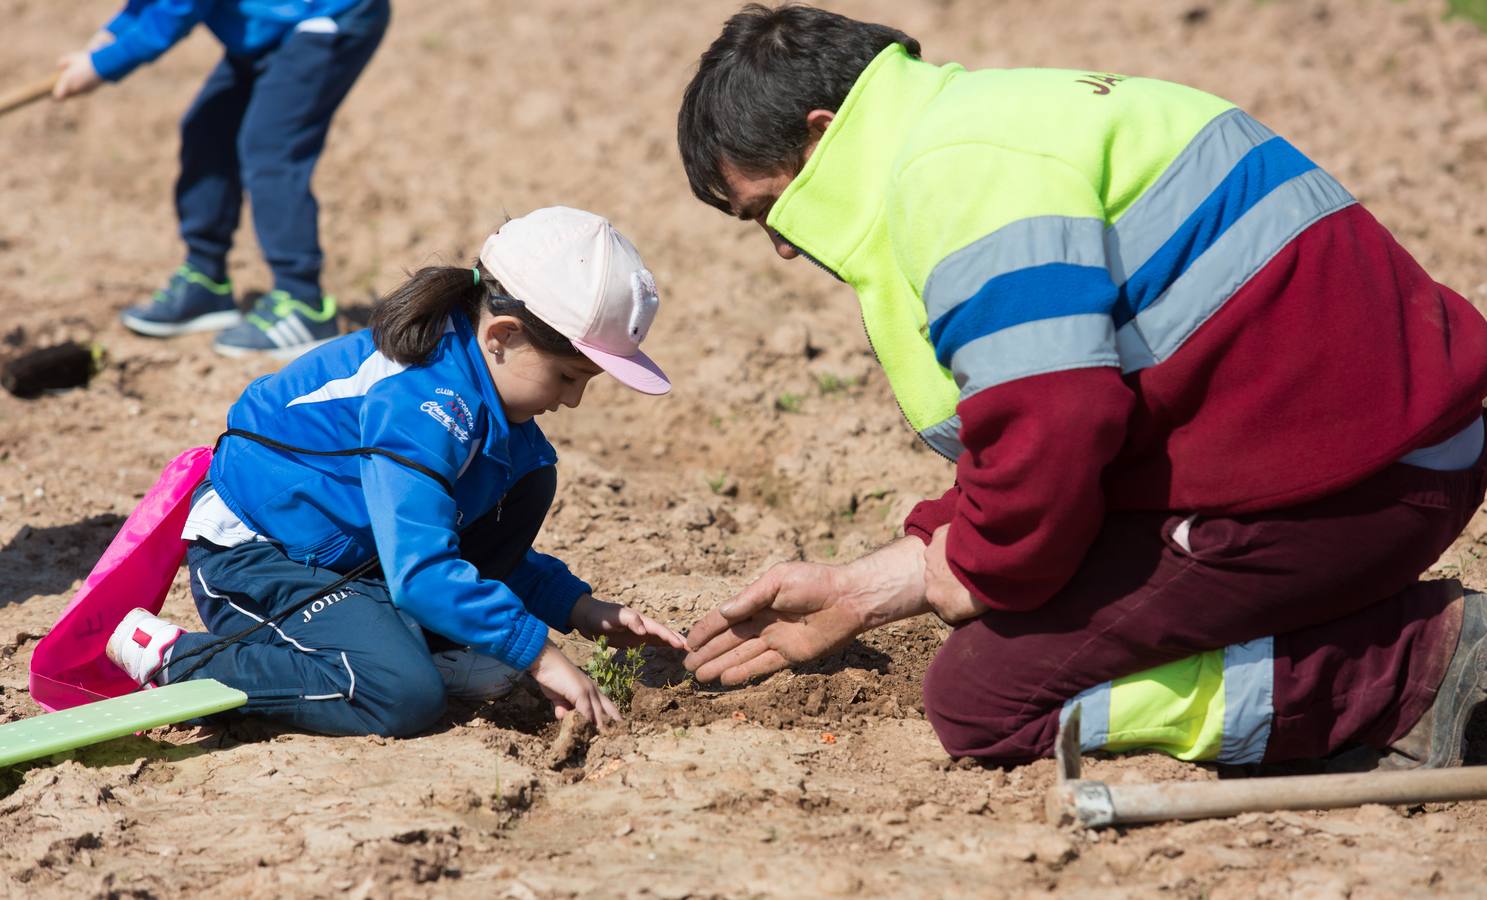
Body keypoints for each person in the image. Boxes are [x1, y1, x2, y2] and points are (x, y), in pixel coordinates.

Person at [676, 4, 1487, 769]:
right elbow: (1060, 417)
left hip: (1351, 488)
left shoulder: (954, 177)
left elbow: (1053, 419)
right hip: (1387, 447)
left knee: (985, 699)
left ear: (822, 136)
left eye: (770, 207)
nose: (782, 246)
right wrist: (874, 584)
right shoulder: (996, 118)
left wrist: (984, 565)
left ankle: (1406, 671)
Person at [104, 207, 682, 735]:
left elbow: (447, 539)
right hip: (258, 557)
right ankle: (178, 657)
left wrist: (578, 607)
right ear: (502, 336)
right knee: (400, 695)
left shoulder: (481, 395)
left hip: (354, 559)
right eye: (567, 376)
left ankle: (421, 646)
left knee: (530, 480)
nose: (573, 400)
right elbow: (424, 570)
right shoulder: (425, 403)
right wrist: (539, 653)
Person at [52, 0, 390, 359]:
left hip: (327, 17)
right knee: (208, 129)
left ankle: (302, 303)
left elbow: (176, 12)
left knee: (271, 145)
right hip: (267, 24)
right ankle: (205, 279)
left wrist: (103, 65)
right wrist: (112, 34)